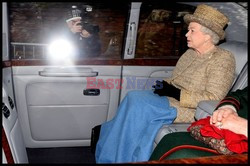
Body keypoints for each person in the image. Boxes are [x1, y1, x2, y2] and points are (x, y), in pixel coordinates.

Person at [94, 4, 236, 163]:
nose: (186, 34)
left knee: (139, 104)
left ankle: (119, 158)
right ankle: (111, 152)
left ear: (207, 35)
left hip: (191, 108)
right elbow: (175, 79)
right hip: (171, 99)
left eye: (192, 30)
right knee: (132, 96)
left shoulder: (223, 59)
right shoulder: (190, 53)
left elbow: (214, 97)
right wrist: (164, 86)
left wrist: (175, 93)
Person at [149, 86, 248, 160]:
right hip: (230, 130)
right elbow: (238, 95)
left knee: (182, 155)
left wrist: (244, 127)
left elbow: (213, 95)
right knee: (170, 138)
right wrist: (227, 108)